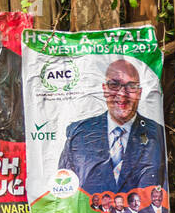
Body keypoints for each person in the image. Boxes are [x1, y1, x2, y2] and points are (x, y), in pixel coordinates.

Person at [58, 58, 165, 195]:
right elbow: (64, 189)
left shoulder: (156, 134)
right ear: (104, 89)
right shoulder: (79, 133)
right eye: (114, 85)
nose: (122, 94)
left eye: (131, 86)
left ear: (139, 92)